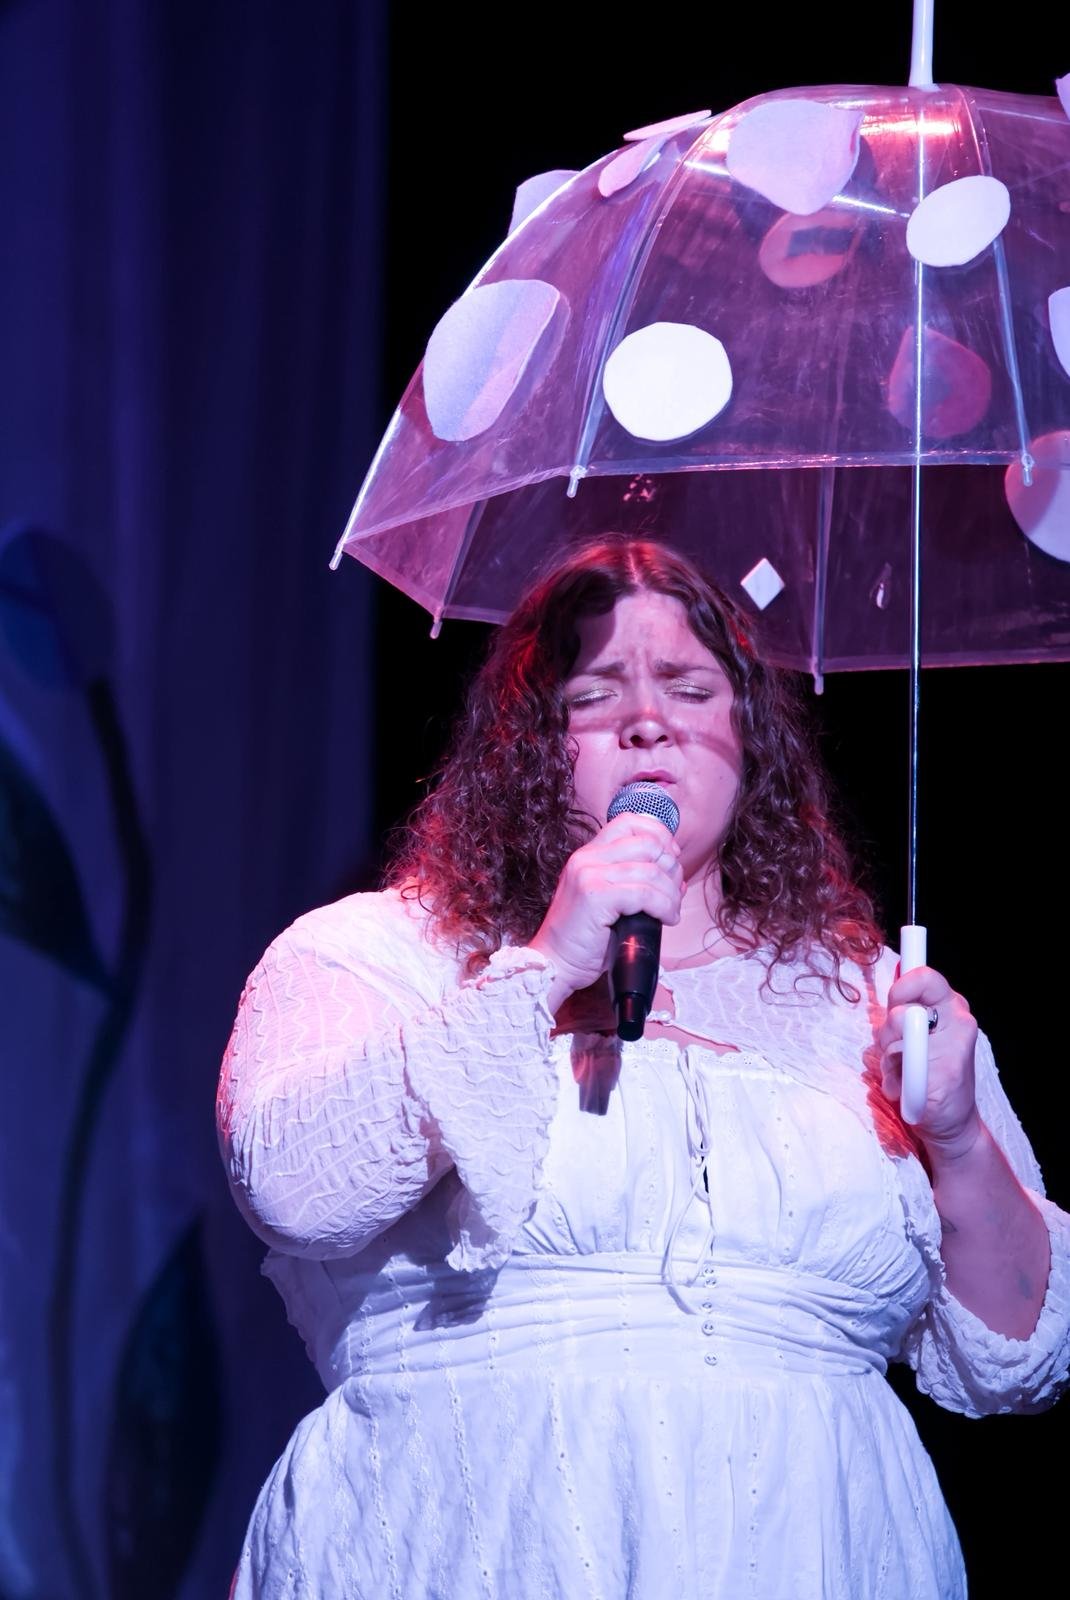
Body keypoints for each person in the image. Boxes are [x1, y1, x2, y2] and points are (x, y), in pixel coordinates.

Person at [217, 535, 1069, 1600]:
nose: (648, 719)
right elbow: (293, 1188)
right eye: (594, 693)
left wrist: (956, 1139)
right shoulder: (383, 954)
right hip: (477, 1537)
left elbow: (1019, 1356)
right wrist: (542, 967)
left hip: (815, 1544)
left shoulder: (868, 996)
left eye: (690, 687)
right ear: (526, 747)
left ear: (750, 736)